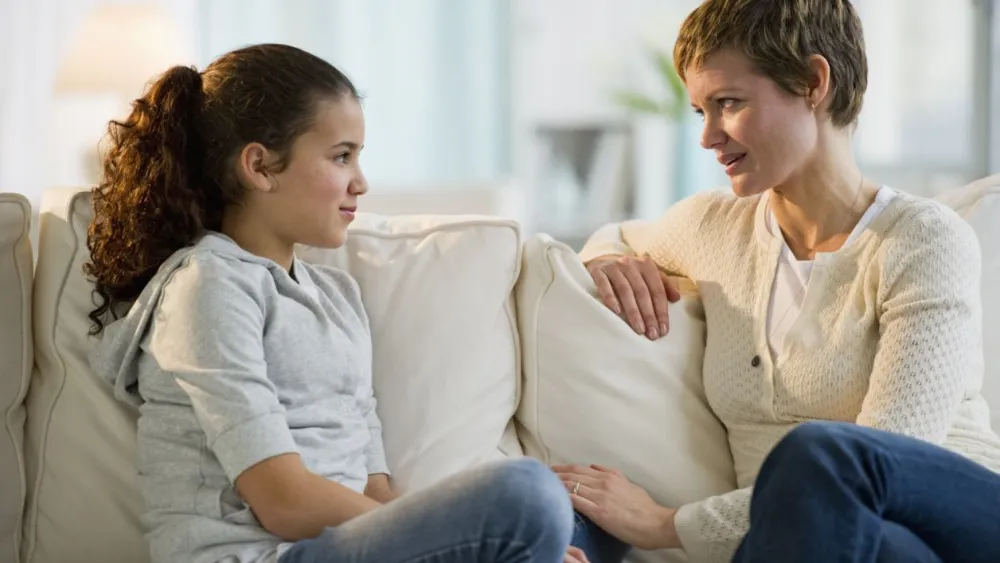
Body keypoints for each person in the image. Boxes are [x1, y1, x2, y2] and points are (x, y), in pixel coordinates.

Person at [85, 43, 587, 563]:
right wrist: (480, 538)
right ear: (260, 166)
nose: (361, 182)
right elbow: (282, 501)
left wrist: (459, 539)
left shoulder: (337, 297)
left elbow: (376, 492)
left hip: (343, 549)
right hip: (261, 556)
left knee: (578, 518)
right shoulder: (207, 288)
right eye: (341, 156)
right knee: (525, 494)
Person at [563, 0, 1000, 561]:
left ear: (814, 83)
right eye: (701, 111)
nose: (708, 137)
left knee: (825, 454)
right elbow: (612, 237)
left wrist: (668, 525)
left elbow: (889, 452)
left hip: (964, 521)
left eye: (729, 103)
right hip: (841, 543)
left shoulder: (922, 241)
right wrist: (607, 261)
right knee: (878, 545)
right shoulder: (710, 229)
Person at [733, 421, 1000, 562]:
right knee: (882, 549)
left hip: (973, 514)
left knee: (824, 455)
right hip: (830, 517)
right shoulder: (723, 318)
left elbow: (904, 428)